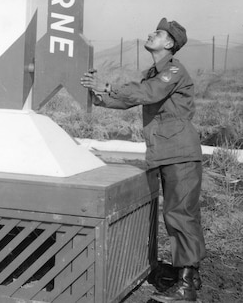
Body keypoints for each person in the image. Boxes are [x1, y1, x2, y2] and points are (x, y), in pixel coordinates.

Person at [80, 18, 205, 303]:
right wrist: (99, 94)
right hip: (166, 152)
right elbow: (131, 98)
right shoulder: (153, 73)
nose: (151, 34)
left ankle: (186, 288)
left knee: (180, 215)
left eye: (158, 33)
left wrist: (108, 84)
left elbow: (147, 94)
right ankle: (188, 276)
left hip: (180, 154)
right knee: (177, 215)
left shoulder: (173, 70)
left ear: (170, 43)